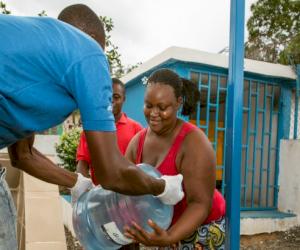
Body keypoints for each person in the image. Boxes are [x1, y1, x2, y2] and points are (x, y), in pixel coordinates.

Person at [0, 5, 184, 250]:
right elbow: (111, 173)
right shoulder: (89, 52)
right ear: (98, 42)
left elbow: (23, 156)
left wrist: (76, 182)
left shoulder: (30, 54)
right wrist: (162, 188)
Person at [124, 69, 226, 249]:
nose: (154, 113)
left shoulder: (194, 143)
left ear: (178, 103)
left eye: (162, 108)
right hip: (164, 231)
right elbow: (125, 190)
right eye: (148, 105)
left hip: (200, 229)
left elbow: (200, 204)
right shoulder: (137, 143)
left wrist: (169, 237)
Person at [76, 78, 143, 184]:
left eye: (116, 97)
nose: (111, 100)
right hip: (100, 194)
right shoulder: (91, 128)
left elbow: (143, 165)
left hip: (130, 193)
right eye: (108, 96)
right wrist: (81, 188)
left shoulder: (137, 129)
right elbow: (83, 163)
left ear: (124, 99)